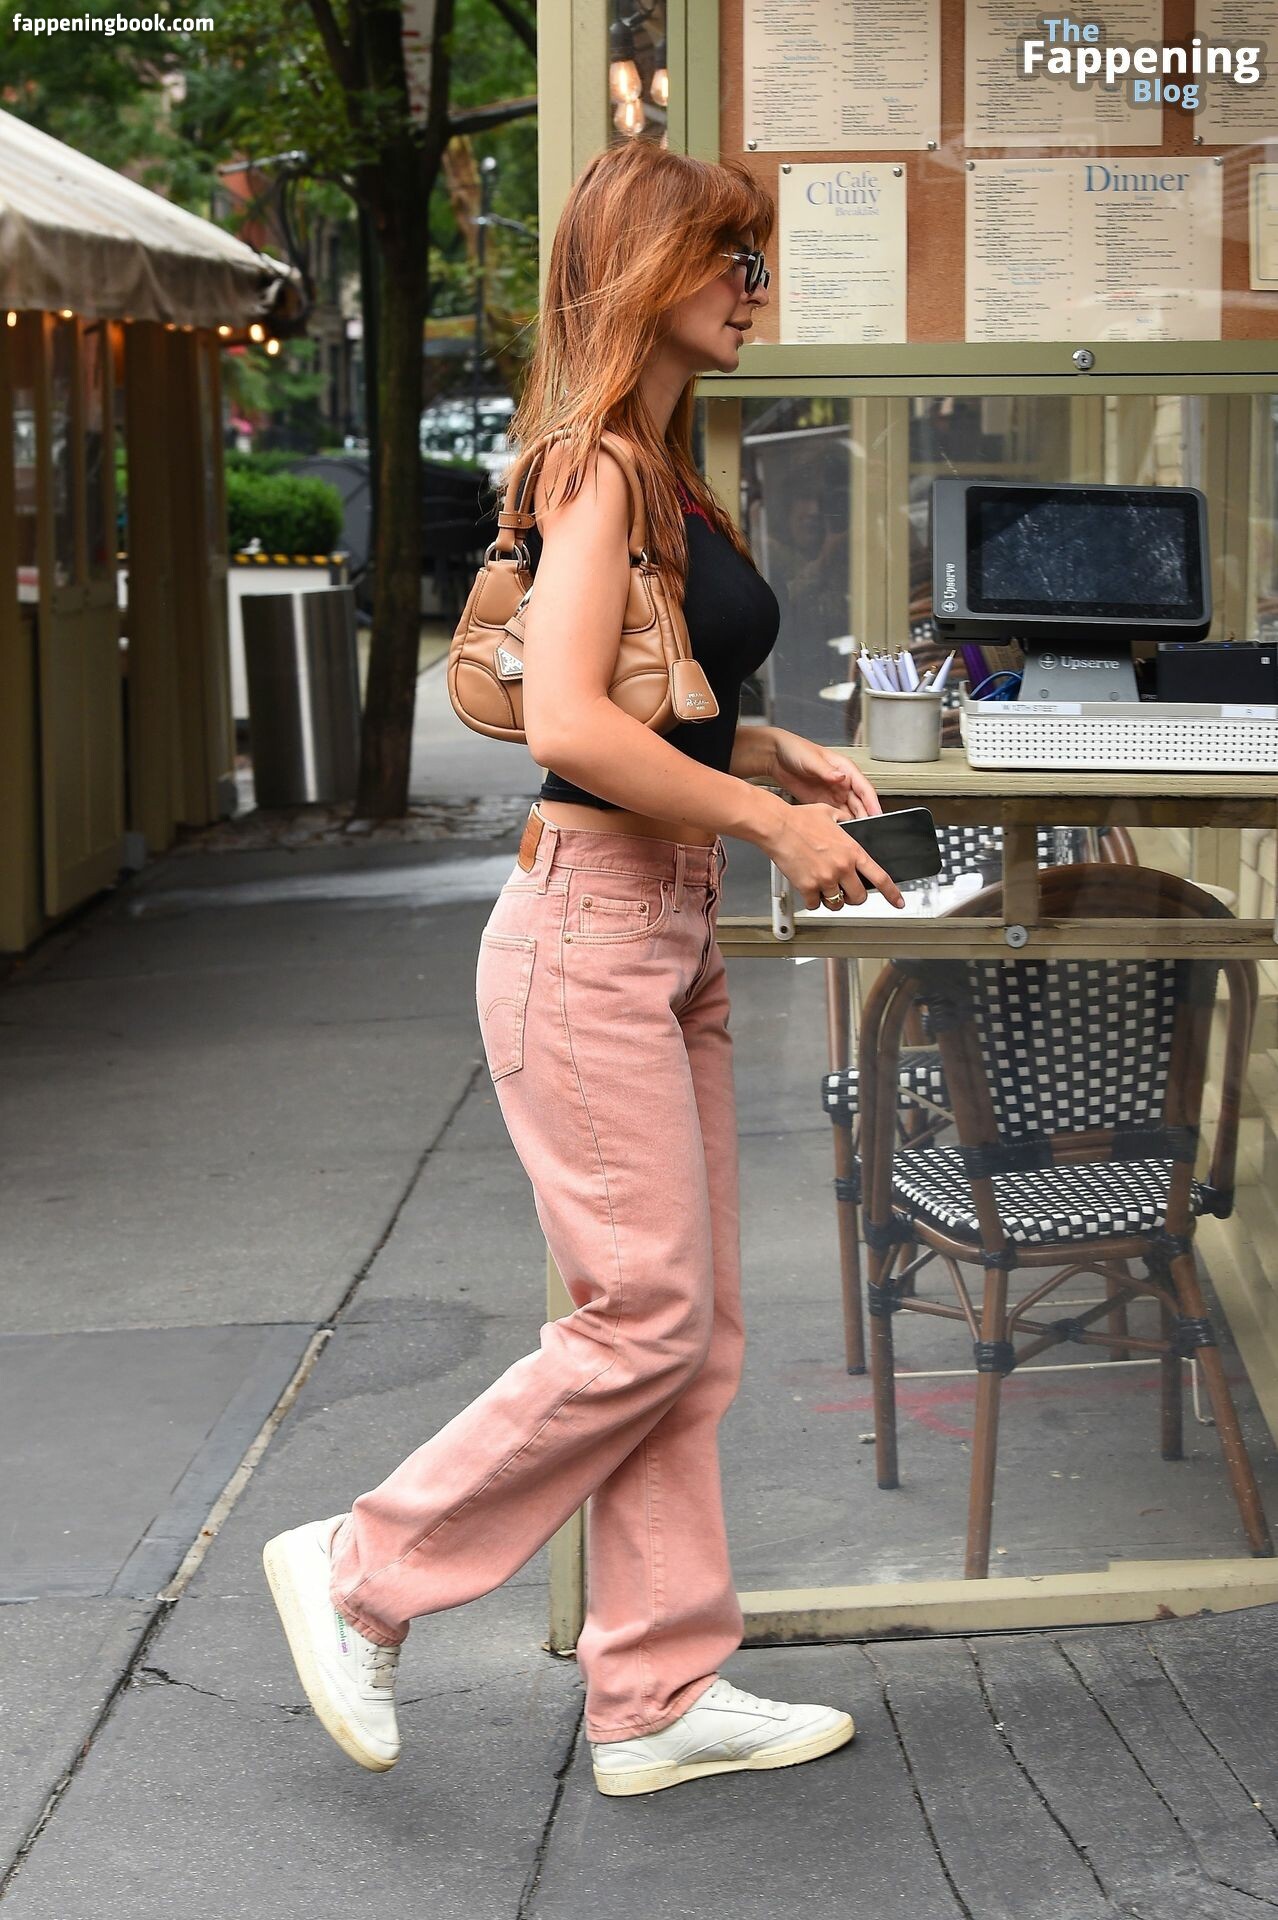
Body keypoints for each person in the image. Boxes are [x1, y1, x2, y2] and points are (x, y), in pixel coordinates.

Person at [262, 139, 902, 1800]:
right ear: (645, 271)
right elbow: (558, 724)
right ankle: (361, 1566)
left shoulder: (667, 472)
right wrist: (769, 826)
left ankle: (655, 1693)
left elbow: (639, 699)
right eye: (731, 258)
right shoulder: (593, 468)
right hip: (591, 929)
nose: (756, 286)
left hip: (658, 925)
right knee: (642, 1320)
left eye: (757, 257)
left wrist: (764, 748)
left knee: (690, 1332)